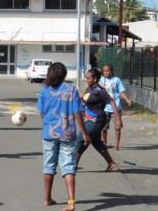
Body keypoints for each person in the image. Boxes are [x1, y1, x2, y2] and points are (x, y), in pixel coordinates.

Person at [37, 63, 89, 210]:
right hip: (68, 134)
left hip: (49, 133)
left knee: (49, 166)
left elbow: (41, 113)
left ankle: (47, 199)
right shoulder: (71, 89)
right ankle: (71, 203)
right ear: (64, 74)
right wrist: (84, 133)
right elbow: (78, 113)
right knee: (68, 167)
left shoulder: (44, 90)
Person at [75, 68, 122, 172]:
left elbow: (112, 102)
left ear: (95, 79)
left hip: (96, 119)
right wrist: (79, 99)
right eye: (86, 78)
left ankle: (73, 165)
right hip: (91, 119)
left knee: (80, 138)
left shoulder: (100, 90)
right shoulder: (89, 88)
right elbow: (87, 100)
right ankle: (111, 163)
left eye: (88, 78)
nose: (86, 80)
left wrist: (118, 119)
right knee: (96, 142)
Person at [100, 64, 132, 151]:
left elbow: (121, 91)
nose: (106, 73)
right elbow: (97, 91)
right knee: (103, 128)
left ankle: (117, 145)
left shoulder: (116, 80)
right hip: (105, 108)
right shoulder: (101, 80)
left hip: (116, 108)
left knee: (117, 127)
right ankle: (105, 144)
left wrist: (126, 99)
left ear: (111, 71)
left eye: (108, 71)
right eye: (104, 71)